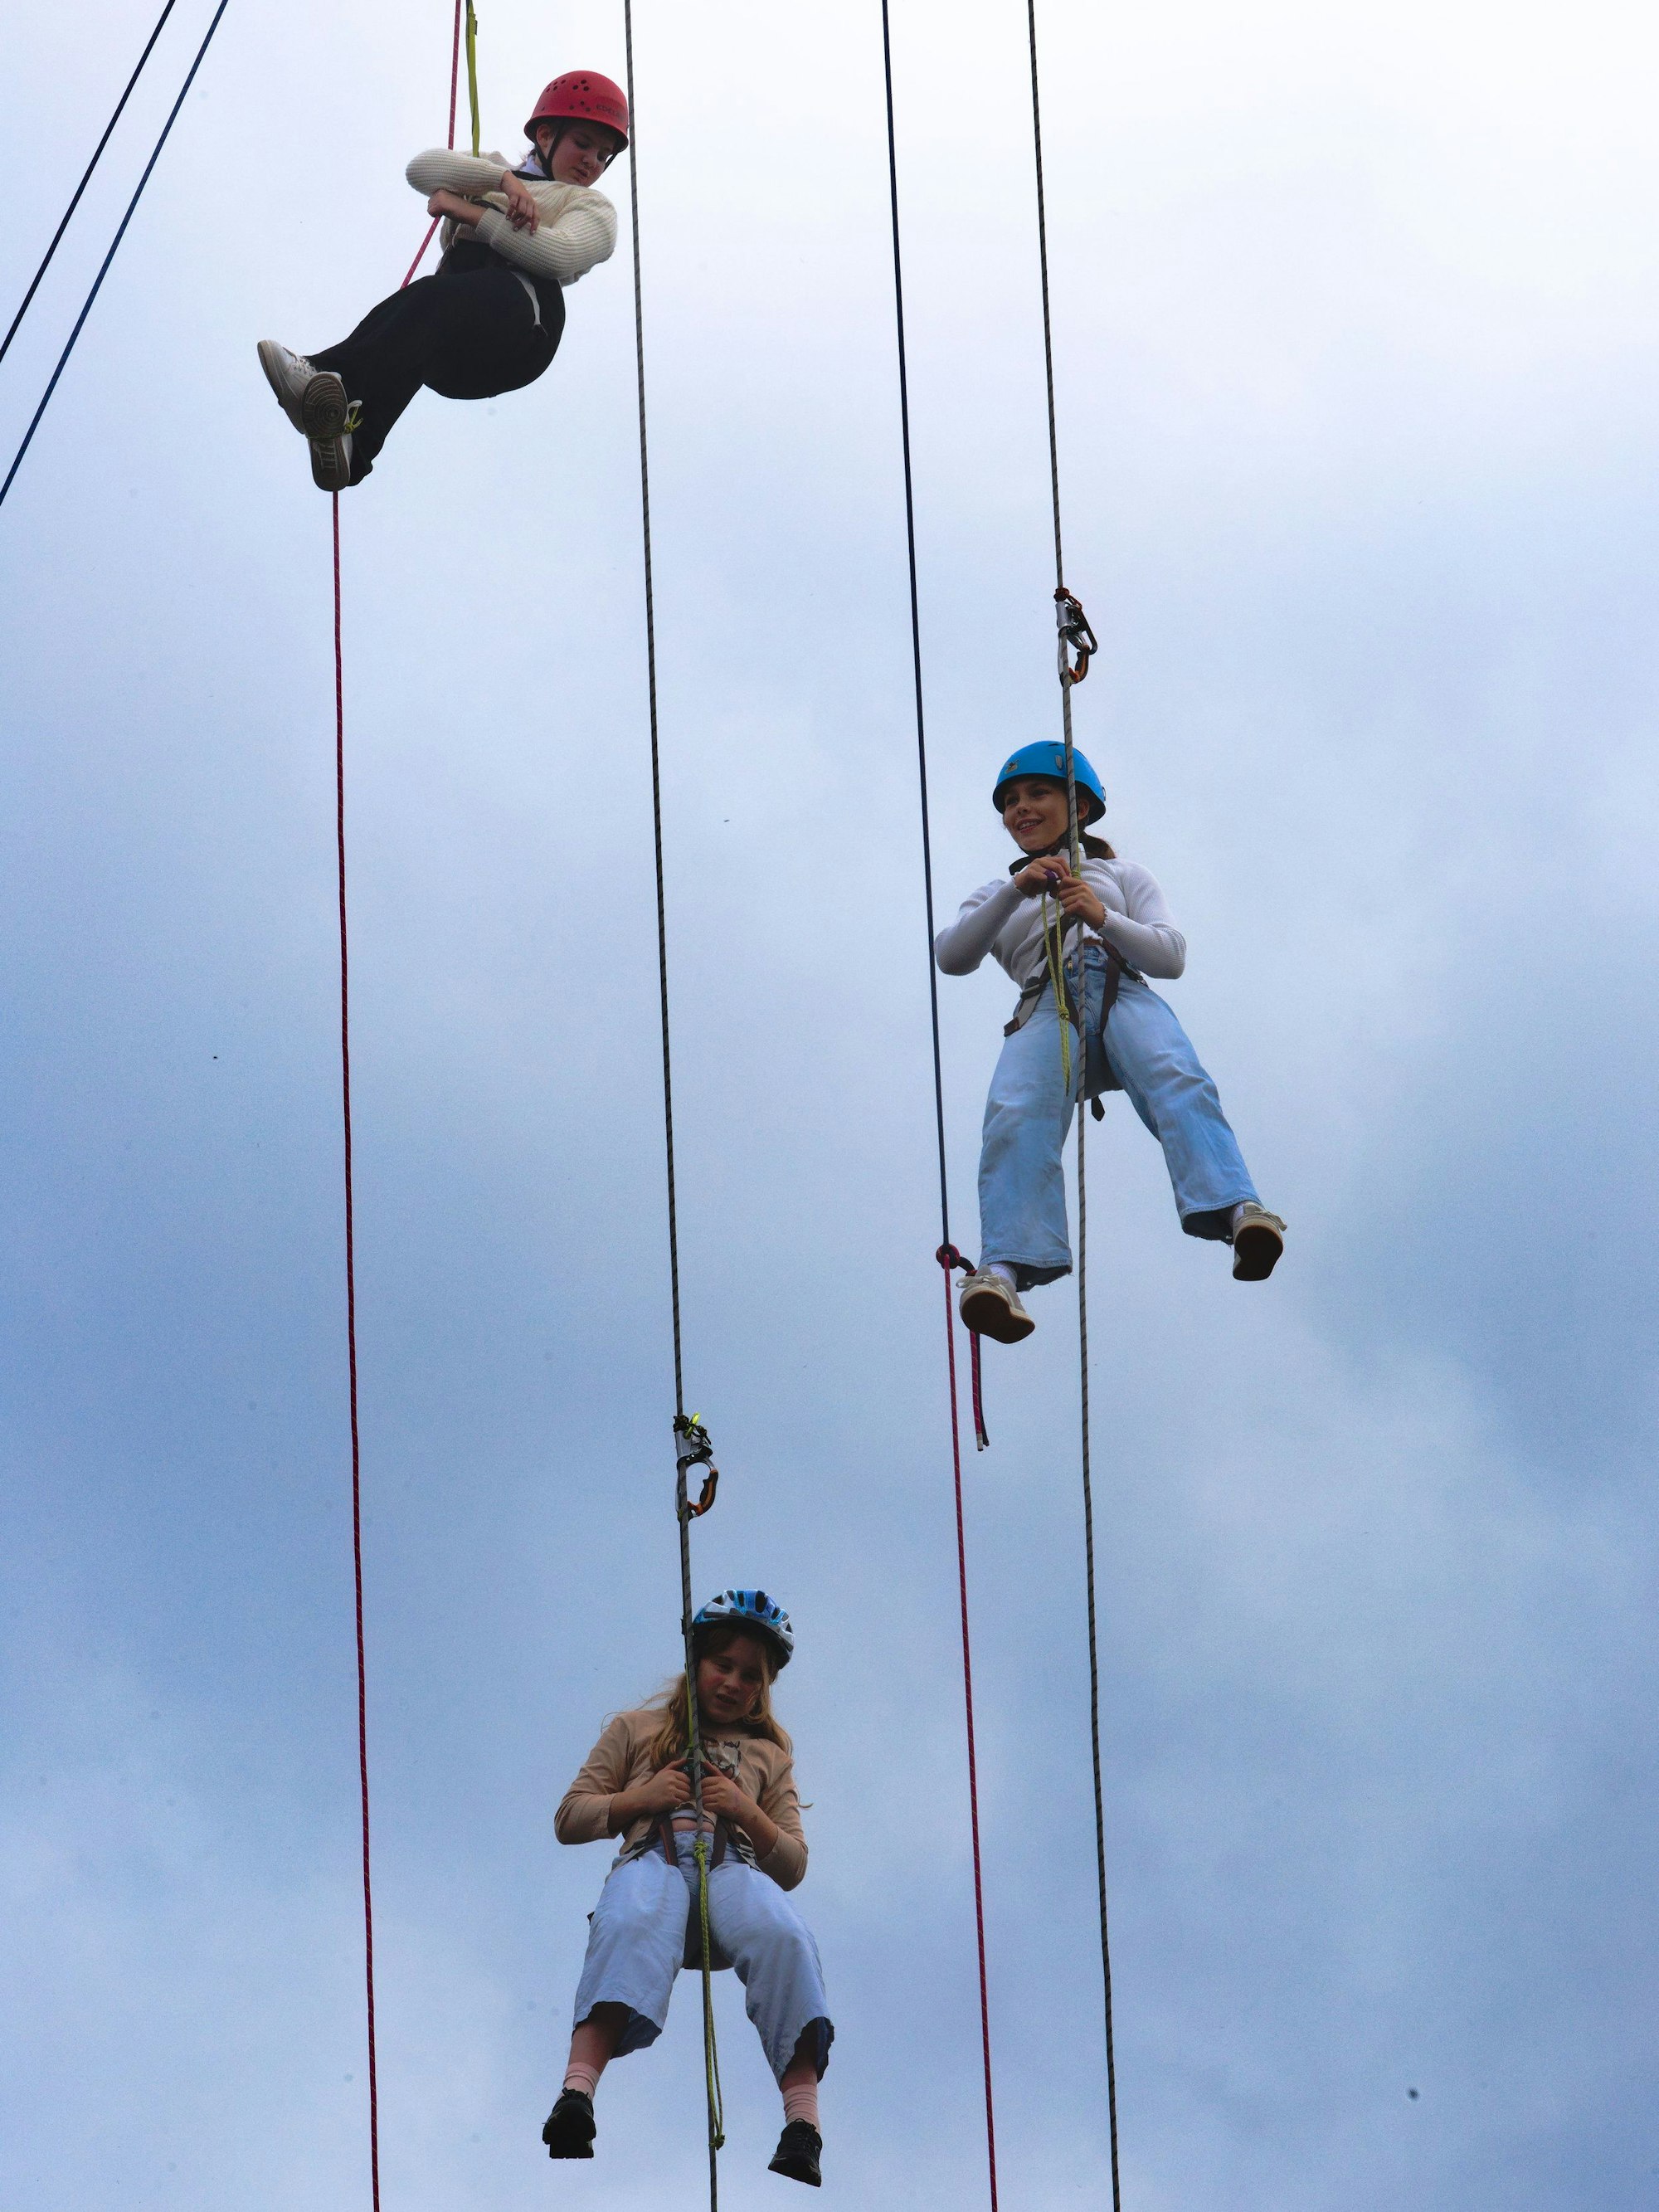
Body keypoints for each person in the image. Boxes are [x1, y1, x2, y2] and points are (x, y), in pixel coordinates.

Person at [935, 740, 1286, 1343]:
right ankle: (1002, 1273)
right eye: (1011, 801)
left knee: (1176, 1078)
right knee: (1014, 1118)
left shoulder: (1123, 876)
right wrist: (1016, 891)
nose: (1021, 808)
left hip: (1122, 989)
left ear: (1082, 807)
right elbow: (952, 955)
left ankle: (1238, 1211)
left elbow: (1170, 955)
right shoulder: (995, 893)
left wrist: (1102, 916)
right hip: (1046, 1006)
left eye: (1038, 794)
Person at [542, 1590, 831, 2189]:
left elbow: (794, 1863)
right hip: (654, 1861)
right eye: (722, 1665)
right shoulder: (636, 1730)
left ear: (763, 1687)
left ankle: (803, 2126)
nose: (732, 1682)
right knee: (626, 1922)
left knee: (787, 1937)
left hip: (732, 1874)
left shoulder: (769, 1759)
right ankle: (577, 2095)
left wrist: (746, 1811)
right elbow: (570, 1816)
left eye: (749, 1676)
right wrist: (639, 1800)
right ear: (697, 1661)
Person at [255, 71, 626, 490]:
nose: (592, 162)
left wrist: (471, 212)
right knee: (417, 315)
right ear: (545, 135)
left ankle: (326, 374)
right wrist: (500, 180)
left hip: (524, 323)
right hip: (458, 352)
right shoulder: (494, 169)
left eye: (603, 155)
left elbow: (558, 252)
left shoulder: (591, 206)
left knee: (434, 299)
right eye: (584, 144)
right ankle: (352, 443)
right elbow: (421, 169)